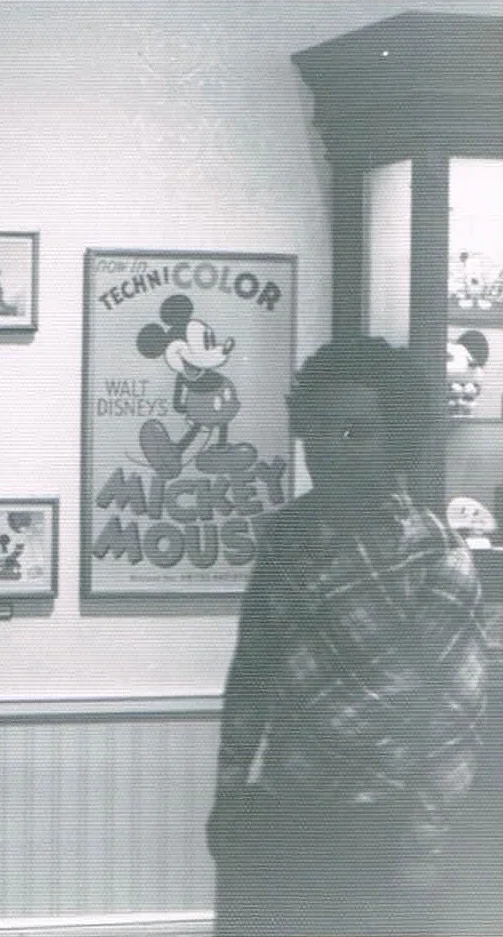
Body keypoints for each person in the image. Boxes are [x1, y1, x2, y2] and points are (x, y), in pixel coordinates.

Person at [207, 336, 488, 936]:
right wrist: (229, 792)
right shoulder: (286, 538)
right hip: (278, 817)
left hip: (381, 831)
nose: (332, 451)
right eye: (319, 430)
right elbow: (251, 673)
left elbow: (454, 717)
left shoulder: (434, 556)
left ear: (398, 440)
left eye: (357, 432)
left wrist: (426, 843)